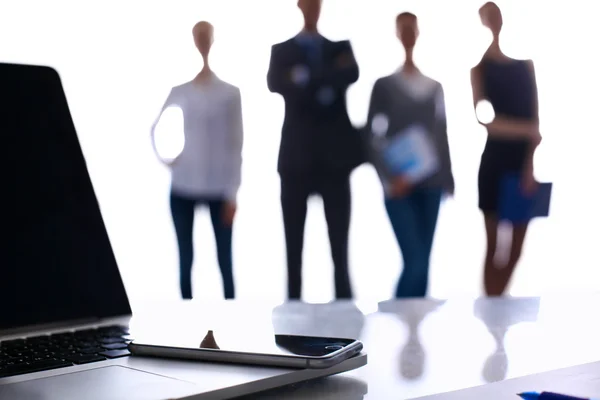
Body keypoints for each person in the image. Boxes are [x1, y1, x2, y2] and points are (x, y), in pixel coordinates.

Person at [266, 0, 364, 300]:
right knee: (293, 252)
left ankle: (347, 325)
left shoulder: (340, 48)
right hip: (296, 163)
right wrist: (325, 78)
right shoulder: (282, 50)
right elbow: (275, 83)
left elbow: (351, 75)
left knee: (340, 252)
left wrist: (304, 76)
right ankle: (292, 325)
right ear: (299, 5)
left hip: (335, 164)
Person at [151, 21, 243, 300]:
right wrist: (168, 160)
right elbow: (155, 127)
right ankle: (185, 319)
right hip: (184, 185)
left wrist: (233, 193)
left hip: (218, 187)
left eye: (206, 36)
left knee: (225, 262)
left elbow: (236, 144)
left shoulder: (229, 92)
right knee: (185, 259)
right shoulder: (182, 90)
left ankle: (233, 320)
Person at [365, 12, 454, 298]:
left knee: (424, 264)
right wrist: (390, 178)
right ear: (396, 33)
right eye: (402, 28)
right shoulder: (384, 86)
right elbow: (371, 136)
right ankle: (397, 318)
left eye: (411, 28)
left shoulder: (434, 87)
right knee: (414, 261)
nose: (407, 33)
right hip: (400, 185)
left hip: (431, 183)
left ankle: (414, 335)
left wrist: (449, 178)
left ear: (418, 32)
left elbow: (441, 135)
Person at [471, 2, 541, 296]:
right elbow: (485, 119)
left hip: (520, 163)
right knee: (493, 247)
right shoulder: (479, 69)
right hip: (494, 163)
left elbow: (535, 128)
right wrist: (524, 129)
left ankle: (499, 300)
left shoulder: (526, 66)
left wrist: (530, 167)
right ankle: (492, 309)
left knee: (516, 249)